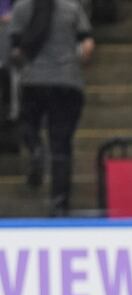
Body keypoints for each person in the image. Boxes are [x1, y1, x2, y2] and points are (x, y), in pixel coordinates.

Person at [9, 0, 94, 215]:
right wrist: (76, 61)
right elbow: (87, 45)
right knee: (61, 145)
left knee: (28, 124)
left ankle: (36, 149)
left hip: (33, 81)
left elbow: (15, 48)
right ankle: (59, 204)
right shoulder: (72, 8)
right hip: (67, 82)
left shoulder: (22, 7)